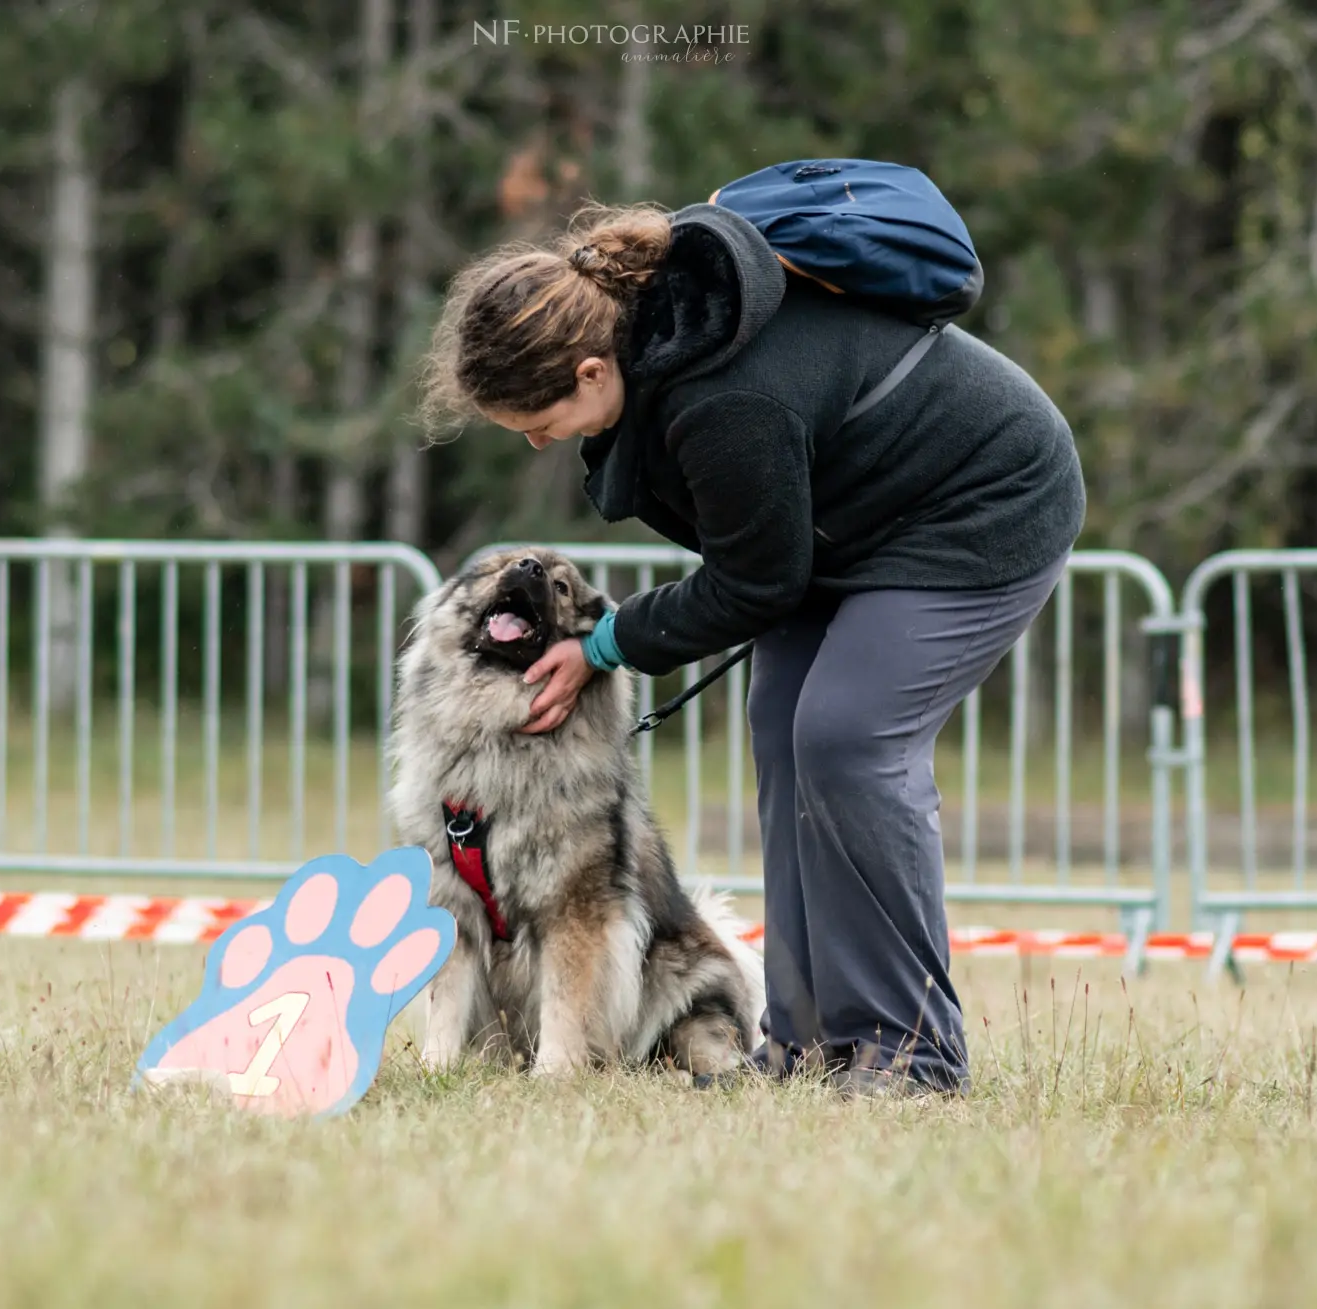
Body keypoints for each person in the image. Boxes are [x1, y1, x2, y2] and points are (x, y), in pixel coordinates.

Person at [416, 197, 1086, 1098]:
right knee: (781, 723)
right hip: (856, 528)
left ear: (588, 370)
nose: (539, 442)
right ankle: (805, 1042)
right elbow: (759, 560)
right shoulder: (659, 361)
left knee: (849, 738)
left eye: (536, 421)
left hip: (982, 505)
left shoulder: (723, 399)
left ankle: (911, 1050)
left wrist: (605, 643)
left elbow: (754, 583)